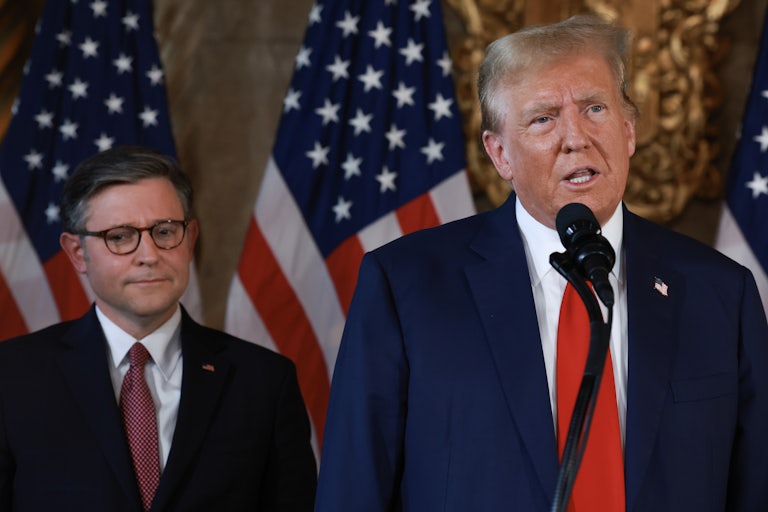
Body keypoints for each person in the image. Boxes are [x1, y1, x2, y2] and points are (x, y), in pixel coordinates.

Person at [314, 14, 768, 511]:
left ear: (629, 130)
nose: (576, 138)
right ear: (500, 153)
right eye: (543, 118)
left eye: (595, 108)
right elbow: (352, 492)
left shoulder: (722, 292)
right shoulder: (405, 287)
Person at [0, 146, 317, 511]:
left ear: (191, 238)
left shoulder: (264, 381)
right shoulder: (11, 377)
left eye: (165, 231)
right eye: (119, 236)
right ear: (76, 252)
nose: (149, 254)